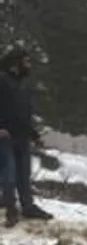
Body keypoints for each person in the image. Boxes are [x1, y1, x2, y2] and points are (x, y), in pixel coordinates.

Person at [0, 47, 54, 227]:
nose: (29, 65)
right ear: (16, 64)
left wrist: (34, 134)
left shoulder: (23, 85)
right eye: (26, 61)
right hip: (4, 136)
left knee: (24, 174)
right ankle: (10, 209)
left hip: (22, 136)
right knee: (9, 175)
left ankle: (28, 207)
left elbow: (23, 114)